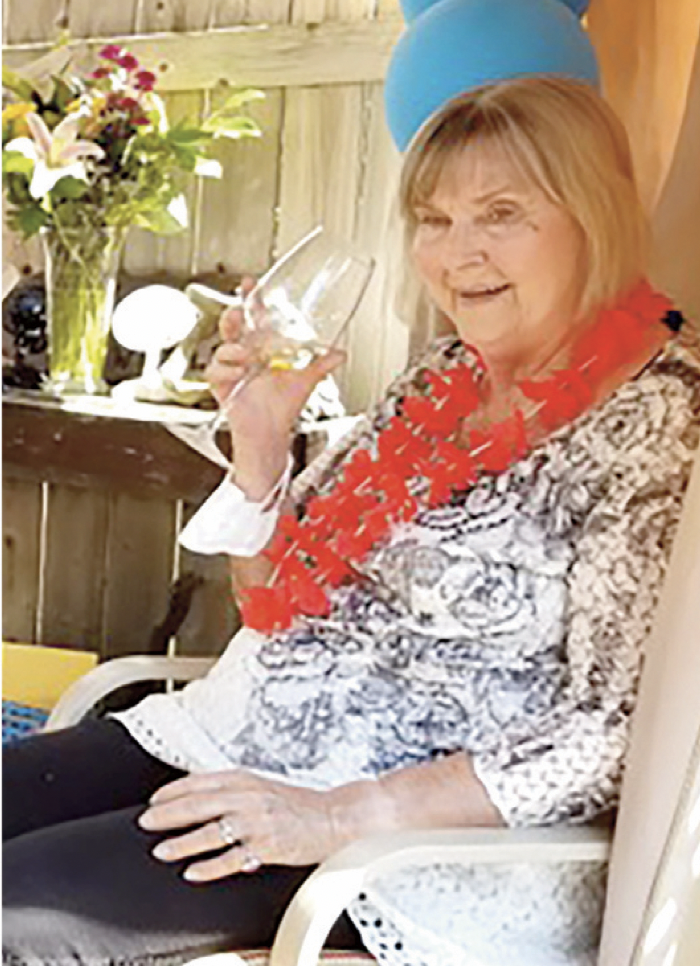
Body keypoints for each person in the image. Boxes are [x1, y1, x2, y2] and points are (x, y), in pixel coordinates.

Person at [4, 75, 700, 966]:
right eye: (435, 219)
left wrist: (335, 818)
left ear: (593, 218)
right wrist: (261, 446)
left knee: (17, 924)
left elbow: (606, 732)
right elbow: (275, 607)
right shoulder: (439, 378)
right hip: (226, 742)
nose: (457, 253)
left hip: (405, 850)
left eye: (501, 213)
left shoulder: (659, 421)